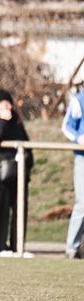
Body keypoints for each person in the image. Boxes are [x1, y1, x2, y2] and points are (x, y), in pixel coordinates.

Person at [0, 89, 33, 257]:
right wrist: (2, 122)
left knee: (20, 210)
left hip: (19, 173)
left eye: (9, 103)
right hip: (1, 174)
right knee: (1, 210)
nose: (8, 107)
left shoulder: (17, 122)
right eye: (3, 103)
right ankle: (0, 246)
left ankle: (17, 246)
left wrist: (29, 164)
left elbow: (26, 142)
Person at [60, 87, 84, 259]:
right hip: (82, 158)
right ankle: (72, 247)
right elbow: (67, 126)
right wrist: (78, 138)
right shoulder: (80, 99)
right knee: (82, 202)